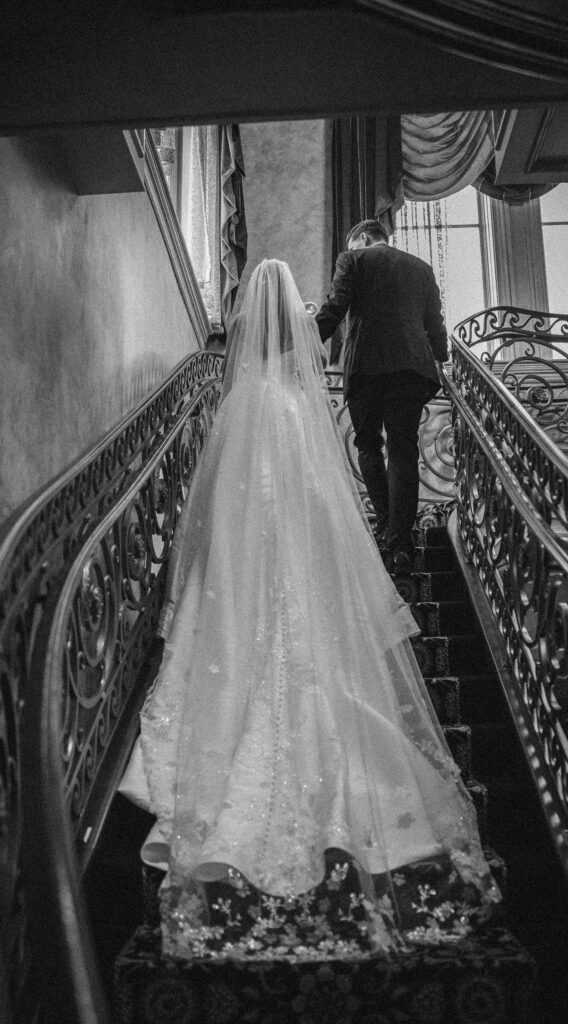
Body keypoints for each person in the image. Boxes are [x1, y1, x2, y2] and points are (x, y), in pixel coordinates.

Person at [119, 259, 498, 959]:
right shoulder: (298, 407)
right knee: (399, 452)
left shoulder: (236, 408)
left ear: (240, 327)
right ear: (291, 321)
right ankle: (399, 535)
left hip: (245, 570)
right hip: (325, 514)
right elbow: (322, 512)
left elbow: (215, 516)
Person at [316, 219, 449, 571]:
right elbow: (434, 322)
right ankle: (402, 541)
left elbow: (336, 307)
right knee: (403, 448)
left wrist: (305, 337)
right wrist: (444, 357)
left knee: (368, 444)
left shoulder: (353, 259)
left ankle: (387, 524)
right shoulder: (421, 268)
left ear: (361, 238)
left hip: (367, 366)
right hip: (411, 369)